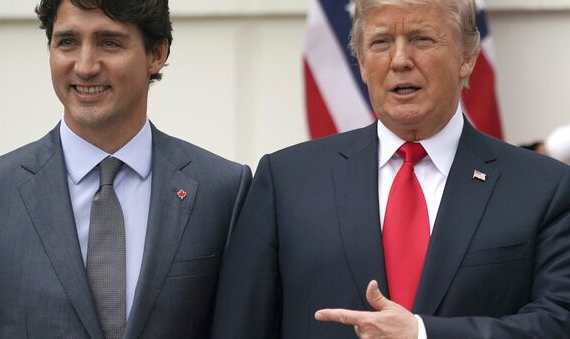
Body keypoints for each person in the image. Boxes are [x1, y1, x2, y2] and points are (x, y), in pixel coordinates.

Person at [211, 0, 570, 338]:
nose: (399, 59)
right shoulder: (286, 181)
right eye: (381, 42)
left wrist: (422, 334)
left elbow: (558, 321)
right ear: (363, 64)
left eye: (421, 39)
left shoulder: (545, 188)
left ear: (467, 57)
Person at [0, 0, 251, 338]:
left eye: (109, 42)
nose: (85, 66)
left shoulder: (223, 191)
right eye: (68, 42)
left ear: (156, 54)